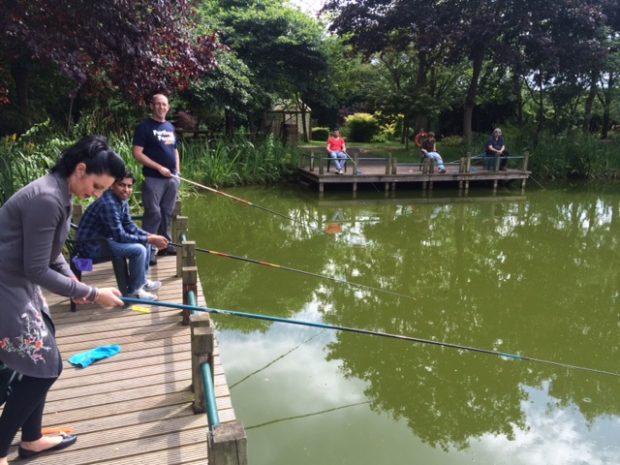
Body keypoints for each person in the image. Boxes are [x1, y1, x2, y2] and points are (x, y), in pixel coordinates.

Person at [0, 135, 125, 463]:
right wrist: (93, 293)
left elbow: (51, 255)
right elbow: (37, 268)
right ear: (81, 169)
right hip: (6, 285)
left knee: (44, 358)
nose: (95, 195)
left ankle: (31, 439)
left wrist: (72, 280)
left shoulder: (61, 193)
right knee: (46, 365)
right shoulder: (47, 198)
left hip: (19, 283)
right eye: (97, 186)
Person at [76, 171, 169, 300]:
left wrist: (150, 236)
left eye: (129, 186)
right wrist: (150, 238)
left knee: (145, 242)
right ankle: (134, 292)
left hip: (106, 241)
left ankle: (141, 282)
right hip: (91, 247)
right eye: (122, 185)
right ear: (112, 185)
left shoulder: (121, 199)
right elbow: (120, 236)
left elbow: (129, 225)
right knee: (139, 250)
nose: (126, 189)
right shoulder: (108, 203)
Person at [132, 94, 180, 263]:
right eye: (158, 104)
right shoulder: (144, 127)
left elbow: (175, 150)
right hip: (153, 178)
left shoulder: (170, 127)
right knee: (153, 213)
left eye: (164, 104)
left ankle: (165, 245)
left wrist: (177, 173)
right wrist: (159, 168)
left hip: (172, 179)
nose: (161, 107)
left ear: (168, 107)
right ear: (152, 106)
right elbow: (137, 153)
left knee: (167, 212)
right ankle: (149, 250)